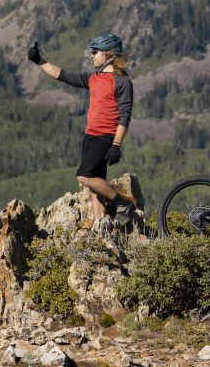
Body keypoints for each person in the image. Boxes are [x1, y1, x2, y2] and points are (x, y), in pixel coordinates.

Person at [27, 33, 134, 226]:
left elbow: (125, 116)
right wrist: (38, 60)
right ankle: (98, 223)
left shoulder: (121, 82)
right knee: (96, 183)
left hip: (105, 137)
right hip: (90, 136)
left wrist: (116, 144)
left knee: (84, 176)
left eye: (95, 52)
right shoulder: (93, 78)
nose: (92, 55)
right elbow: (63, 75)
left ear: (108, 54)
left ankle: (122, 204)